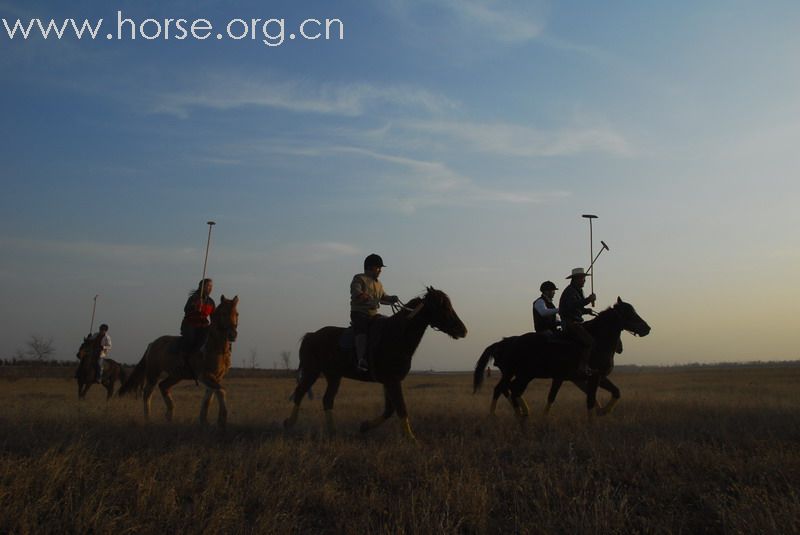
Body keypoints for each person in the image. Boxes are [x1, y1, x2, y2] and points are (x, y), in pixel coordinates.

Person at [350, 254, 399, 370]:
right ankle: (361, 359)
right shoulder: (359, 278)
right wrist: (368, 299)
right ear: (370, 267)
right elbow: (357, 293)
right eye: (378, 268)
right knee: (362, 331)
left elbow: (383, 297)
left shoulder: (378, 284)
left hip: (373, 315)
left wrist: (391, 298)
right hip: (360, 314)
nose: (380, 271)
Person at [558, 268, 596, 376]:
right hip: (570, 323)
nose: (584, 281)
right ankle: (582, 367)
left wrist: (586, 311)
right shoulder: (570, 291)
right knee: (589, 341)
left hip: (577, 321)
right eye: (582, 278)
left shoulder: (577, 291)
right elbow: (573, 306)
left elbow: (577, 308)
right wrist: (588, 300)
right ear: (575, 279)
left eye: (584, 278)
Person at [180, 278, 216, 358]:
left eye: (211, 286)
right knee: (190, 339)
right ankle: (183, 359)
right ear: (202, 287)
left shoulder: (211, 302)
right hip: (191, 324)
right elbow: (186, 309)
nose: (210, 288)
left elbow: (214, 317)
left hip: (203, 325)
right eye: (208, 286)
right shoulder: (194, 298)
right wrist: (195, 307)